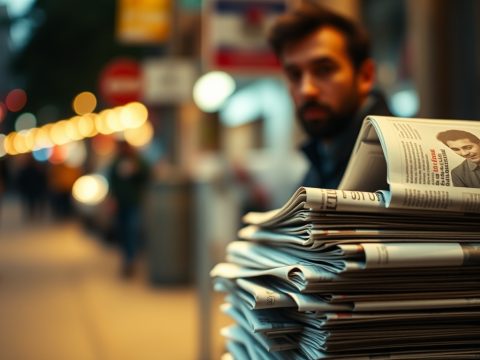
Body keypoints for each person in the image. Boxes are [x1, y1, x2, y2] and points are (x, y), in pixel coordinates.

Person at [267, 2, 391, 189]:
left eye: (324, 70)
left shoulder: (396, 165)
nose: (306, 90)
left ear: (365, 76)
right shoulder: (322, 157)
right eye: (295, 75)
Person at [108, 140, 151, 277]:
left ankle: (131, 259)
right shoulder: (116, 162)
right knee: (123, 232)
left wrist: (136, 170)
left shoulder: (137, 161)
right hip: (121, 204)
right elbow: (112, 181)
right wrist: (112, 199)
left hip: (133, 203)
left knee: (132, 230)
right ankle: (126, 259)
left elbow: (147, 174)